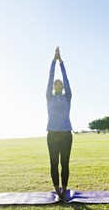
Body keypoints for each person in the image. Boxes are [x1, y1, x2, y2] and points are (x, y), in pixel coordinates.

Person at [46, 47, 73, 201]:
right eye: (55, 83)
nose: (56, 84)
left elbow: (66, 78)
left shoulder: (67, 97)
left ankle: (64, 190)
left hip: (66, 134)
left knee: (65, 163)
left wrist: (61, 62)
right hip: (52, 134)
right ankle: (57, 191)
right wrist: (53, 62)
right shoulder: (49, 97)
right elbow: (50, 78)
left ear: (62, 87)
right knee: (54, 163)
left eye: (59, 83)